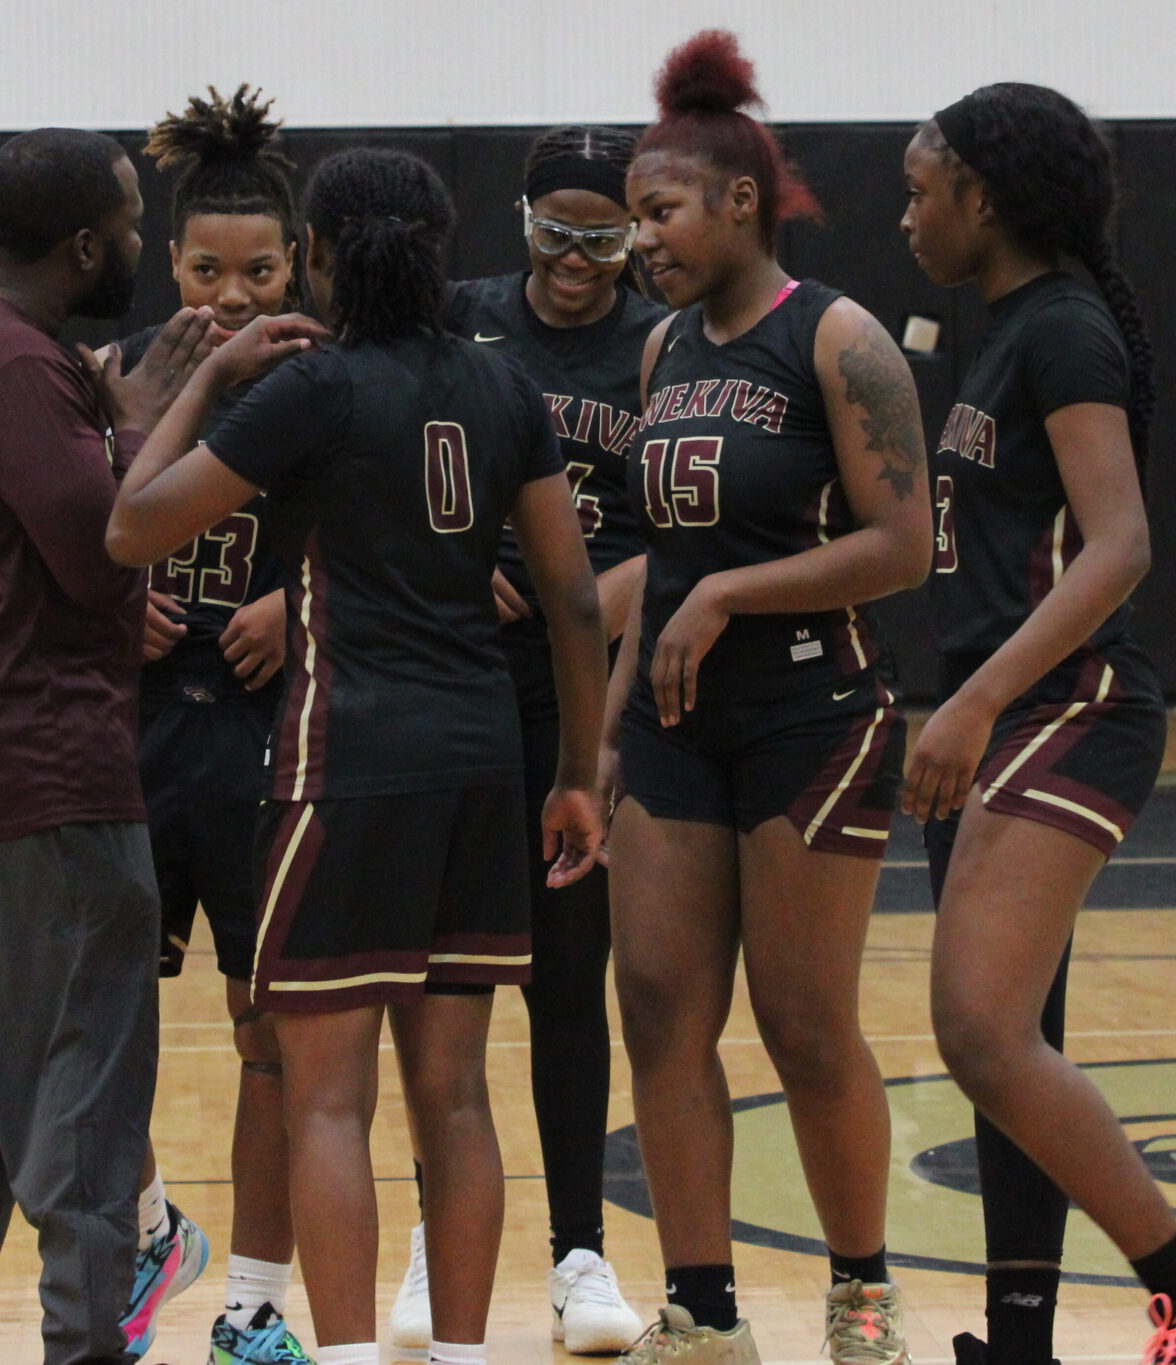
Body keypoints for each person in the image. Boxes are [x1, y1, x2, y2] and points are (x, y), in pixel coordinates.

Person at [107, 146, 607, 1365]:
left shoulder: (313, 388)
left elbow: (131, 527)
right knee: (457, 1097)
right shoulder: (506, 389)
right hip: (481, 763)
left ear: (315, 257)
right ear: (439, 254)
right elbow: (573, 601)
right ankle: (464, 1356)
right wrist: (576, 774)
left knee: (328, 1099)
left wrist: (203, 376)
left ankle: (338, 1355)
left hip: (345, 761)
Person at [900, 85, 1176, 1365]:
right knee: (1013, 1049)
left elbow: (1118, 545)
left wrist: (971, 700)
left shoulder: (1063, 333)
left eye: (919, 191)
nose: (904, 216)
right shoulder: (1004, 331)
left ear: (981, 199)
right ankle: (1019, 1343)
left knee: (978, 1031)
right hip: (1003, 710)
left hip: (1066, 704)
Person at [600, 31, 933, 1365]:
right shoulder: (662, 350)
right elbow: (664, 569)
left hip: (812, 716)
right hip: (671, 728)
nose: (642, 241)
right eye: (634, 218)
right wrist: (605, 736)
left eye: (661, 212)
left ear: (740, 202)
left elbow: (902, 546)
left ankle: (862, 1294)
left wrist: (735, 595)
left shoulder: (837, 337)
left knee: (802, 1022)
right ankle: (704, 1311)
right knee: (657, 1005)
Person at [0, 128, 222, 1365]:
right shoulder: (12, 360)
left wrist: (117, 420)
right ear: (84, 245)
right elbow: (100, 552)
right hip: (40, 769)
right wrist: (143, 423)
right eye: (132, 226)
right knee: (84, 1099)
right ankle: (87, 1344)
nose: (141, 245)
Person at [404, 123, 659, 1357]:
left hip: (578, 695)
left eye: (601, 240)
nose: (574, 259)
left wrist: (577, 597)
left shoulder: (661, 344)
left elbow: (689, 532)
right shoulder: (457, 320)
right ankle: (430, 1235)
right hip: (447, 684)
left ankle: (579, 1253)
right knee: (438, 980)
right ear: (519, 223)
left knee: (567, 978)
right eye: (555, 232)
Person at [119, 85, 309, 1365]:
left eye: (259, 271)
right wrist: (110, 604)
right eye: (206, 271)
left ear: (297, 263)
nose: (232, 296)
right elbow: (75, 532)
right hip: (136, 729)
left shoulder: (323, 376)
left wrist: (300, 601)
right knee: (102, 1021)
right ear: (170, 265)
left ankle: (252, 1302)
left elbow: (392, 541)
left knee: (269, 1032)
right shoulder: (124, 374)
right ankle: (144, 1235)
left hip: (264, 733)